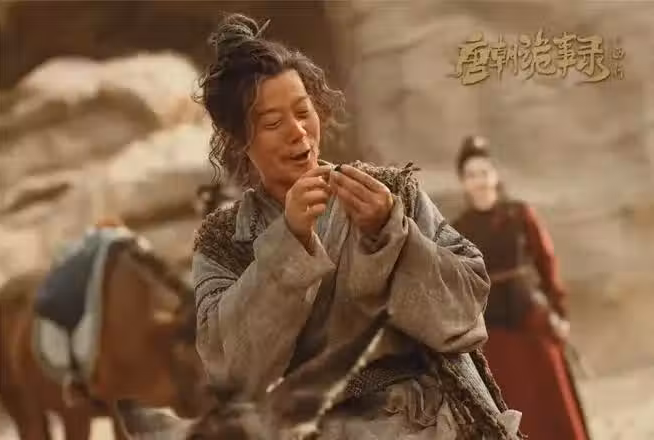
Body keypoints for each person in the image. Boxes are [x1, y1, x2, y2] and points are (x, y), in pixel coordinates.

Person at [192, 14, 522, 439]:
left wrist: (393, 233)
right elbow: (228, 371)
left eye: (303, 112)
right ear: (240, 139)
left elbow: (465, 312)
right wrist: (288, 244)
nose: (298, 133)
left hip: (433, 420)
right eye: (273, 123)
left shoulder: (390, 192)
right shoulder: (224, 241)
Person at [452, 136, 590, 440]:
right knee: (512, 408)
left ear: (495, 175)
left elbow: (547, 263)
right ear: (463, 182)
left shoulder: (520, 215)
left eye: (484, 172)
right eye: (471, 175)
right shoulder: (458, 229)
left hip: (532, 321)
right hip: (493, 335)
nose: (479, 181)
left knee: (555, 407)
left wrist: (559, 312)